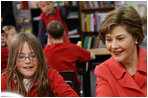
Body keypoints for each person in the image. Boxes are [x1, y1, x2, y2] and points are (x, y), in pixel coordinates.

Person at [1, 32, 79, 97]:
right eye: (21, 57)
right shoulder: (6, 79)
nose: (28, 61)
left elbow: (70, 94)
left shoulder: (50, 74)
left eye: (33, 56)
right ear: (13, 59)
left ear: (40, 57)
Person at [95, 6, 147, 97]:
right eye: (109, 40)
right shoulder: (104, 70)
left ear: (136, 37)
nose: (114, 46)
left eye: (120, 39)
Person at [44, 20, 96, 88]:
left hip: (53, 90)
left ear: (49, 36)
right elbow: (92, 56)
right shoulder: (73, 48)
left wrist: (48, 45)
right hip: (72, 89)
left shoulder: (46, 51)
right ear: (64, 33)